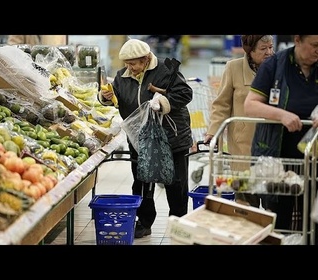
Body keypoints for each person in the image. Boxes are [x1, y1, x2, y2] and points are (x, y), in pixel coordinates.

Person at [99, 38, 193, 238]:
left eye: (133, 63)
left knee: (175, 184)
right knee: (141, 182)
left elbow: (186, 93)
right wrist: (104, 97)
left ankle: (178, 225)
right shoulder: (121, 76)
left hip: (171, 137)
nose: (129, 68)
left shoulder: (166, 70)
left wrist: (164, 101)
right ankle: (144, 221)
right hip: (140, 139)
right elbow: (116, 99)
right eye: (126, 63)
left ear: (146, 59)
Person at [244, 35, 318, 241]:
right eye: (314, 45)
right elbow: (250, 105)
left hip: (313, 160)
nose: (317, 50)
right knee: (279, 220)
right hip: (278, 158)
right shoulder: (275, 65)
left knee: (313, 219)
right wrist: (282, 115)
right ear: (298, 40)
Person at [204, 35, 274, 207]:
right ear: (250, 51)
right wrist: (213, 132)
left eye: (271, 47)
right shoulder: (233, 68)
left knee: (271, 198)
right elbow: (221, 104)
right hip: (243, 145)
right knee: (245, 202)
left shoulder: (278, 67)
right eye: (263, 49)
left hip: (272, 144)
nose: (269, 52)